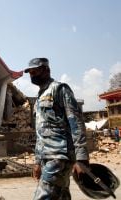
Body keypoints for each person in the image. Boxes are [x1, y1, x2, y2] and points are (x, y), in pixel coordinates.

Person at [24, 58, 90, 200]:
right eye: (30, 72)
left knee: (43, 197)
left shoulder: (60, 89)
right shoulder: (39, 97)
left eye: (35, 71)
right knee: (61, 196)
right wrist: (37, 162)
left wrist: (81, 157)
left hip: (60, 156)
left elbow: (76, 123)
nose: (32, 75)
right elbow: (40, 133)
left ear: (47, 70)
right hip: (46, 156)